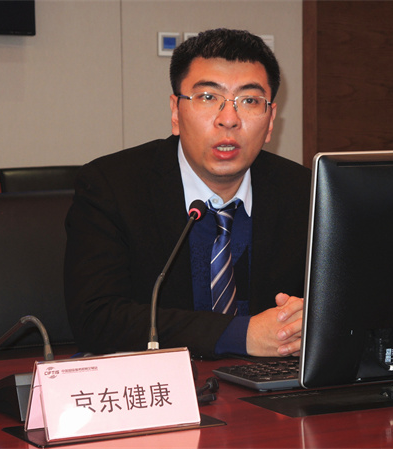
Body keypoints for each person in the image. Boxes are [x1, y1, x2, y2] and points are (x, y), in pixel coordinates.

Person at [64, 28, 311, 360]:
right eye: (208, 97)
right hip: (161, 384)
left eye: (250, 101)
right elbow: (96, 320)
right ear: (175, 112)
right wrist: (240, 335)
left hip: (271, 385)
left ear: (270, 121)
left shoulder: (305, 192)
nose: (228, 120)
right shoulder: (111, 186)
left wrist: (305, 321)